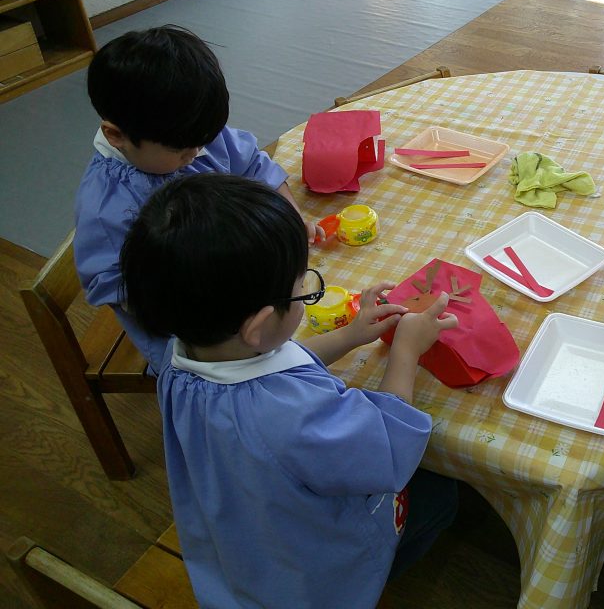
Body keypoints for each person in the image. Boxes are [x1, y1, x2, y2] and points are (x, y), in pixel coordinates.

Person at [119, 173, 459, 609]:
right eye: (302, 287)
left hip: (240, 544)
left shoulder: (180, 354)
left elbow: (282, 359)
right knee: (442, 496)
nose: (304, 291)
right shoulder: (289, 414)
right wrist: (406, 351)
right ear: (259, 325)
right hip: (312, 578)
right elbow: (388, 448)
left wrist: (351, 335)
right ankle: (368, 585)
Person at [73, 25, 322, 370]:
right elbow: (121, 290)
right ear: (116, 135)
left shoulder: (187, 132)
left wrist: (291, 221)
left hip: (243, 294)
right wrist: (221, 299)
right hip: (195, 339)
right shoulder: (108, 208)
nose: (196, 154)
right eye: (182, 150)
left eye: (202, 141)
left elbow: (254, 166)